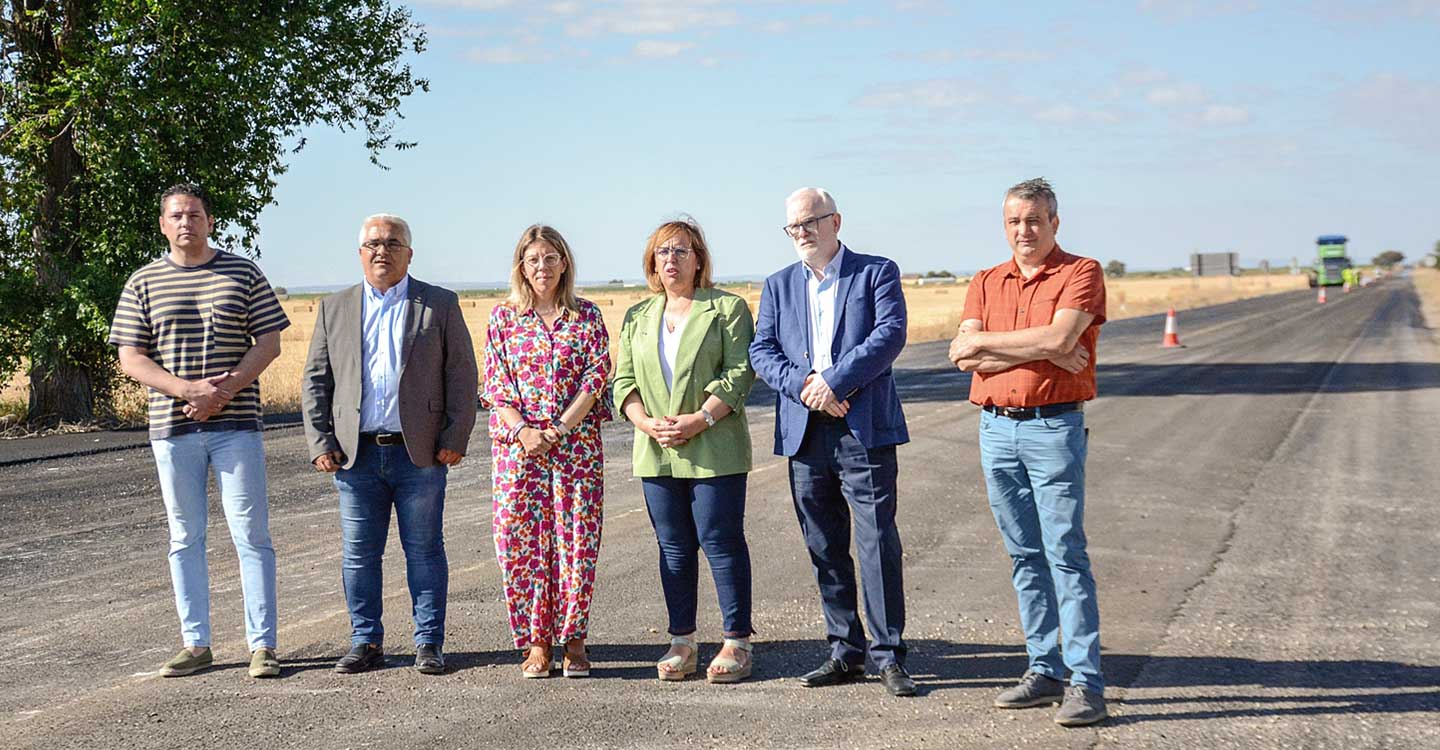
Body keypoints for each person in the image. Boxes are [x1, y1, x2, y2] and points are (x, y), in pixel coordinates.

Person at [109, 183, 288, 679]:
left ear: (210, 221)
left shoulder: (242, 272)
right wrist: (187, 390)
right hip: (172, 428)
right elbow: (131, 357)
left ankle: (263, 646)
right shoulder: (143, 282)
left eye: (194, 214)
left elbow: (269, 341)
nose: (186, 222)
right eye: (176, 216)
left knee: (251, 534)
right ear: (163, 225)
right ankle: (196, 644)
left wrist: (221, 392)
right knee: (185, 535)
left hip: (237, 427)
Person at [948, 177, 1108, 726]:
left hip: (1053, 430)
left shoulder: (1081, 272)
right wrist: (1038, 348)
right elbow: (963, 356)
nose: (1025, 230)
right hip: (996, 429)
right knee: (1024, 556)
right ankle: (1043, 670)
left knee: (1065, 553)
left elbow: (1062, 342)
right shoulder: (986, 281)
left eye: (1035, 219)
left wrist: (999, 345)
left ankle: (1085, 682)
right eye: (1015, 220)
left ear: (1054, 222)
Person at [749, 187, 916, 697]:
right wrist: (806, 387)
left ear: (836, 221)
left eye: (810, 222)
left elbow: (889, 335)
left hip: (862, 428)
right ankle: (845, 653)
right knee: (823, 544)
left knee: (875, 541)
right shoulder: (778, 285)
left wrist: (835, 383)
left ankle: (889, 656)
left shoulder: (876, 272)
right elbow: (763, 348)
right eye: (793, 226)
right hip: (805, 431)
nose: (802, 233)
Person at [301, 213, 478, 675]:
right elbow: (316, 380)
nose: (383, 250)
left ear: (409, 253)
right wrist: (321, 440)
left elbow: (461, 375)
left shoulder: (437, 304)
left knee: (424, 550)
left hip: (419, 453)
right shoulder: (334, 308)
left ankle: (428, 643)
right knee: (359, 553)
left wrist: (455, 436)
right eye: (373, 243)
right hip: (355, 455)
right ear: (360, 252)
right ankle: (365, 640)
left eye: (393, 243)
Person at [612, 219, 757, 683]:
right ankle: (683, 641)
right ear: (652, 262)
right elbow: (623, 380)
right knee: (673, 548)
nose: (671, 259)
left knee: (721, 541)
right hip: (655, 448)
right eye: (662, 252)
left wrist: (699, 419)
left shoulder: (727, 308)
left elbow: (740, 374)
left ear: (699, 258)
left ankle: (736, 641)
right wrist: (644, 422)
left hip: (714, 444)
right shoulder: (637, 316)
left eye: (681, 250)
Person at [481, 224, 611, 679]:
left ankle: (574, 640)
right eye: (533, 259)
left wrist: (557, 429)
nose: (542, 267)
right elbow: (496, 386)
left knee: (576, 543)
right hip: (519, 453)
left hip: (575, 448)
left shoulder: (587, 317)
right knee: (521, 544)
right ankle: (537, 642)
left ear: (564, 263)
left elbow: (596, 380)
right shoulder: (503, 319)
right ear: (522, 266)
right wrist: (524, 433)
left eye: (551, 258)